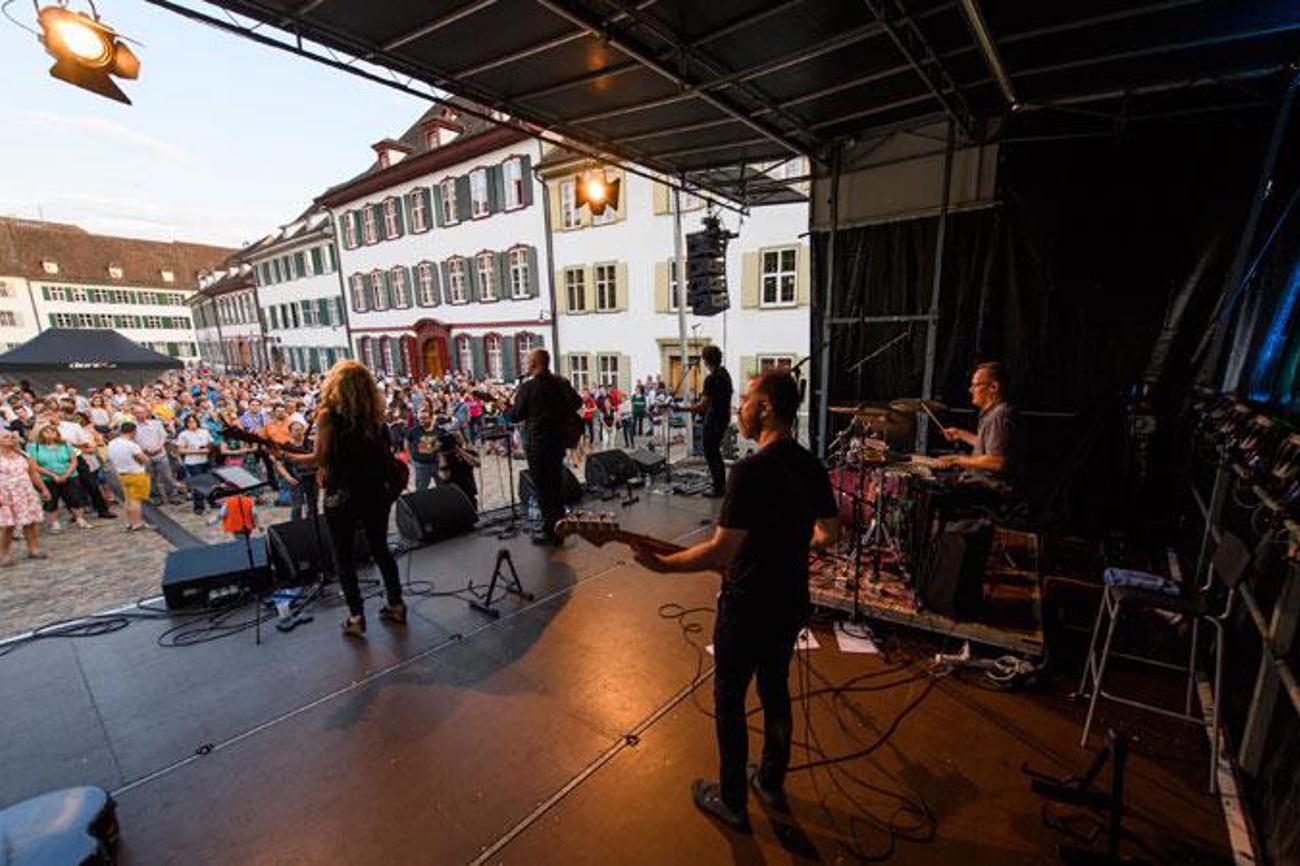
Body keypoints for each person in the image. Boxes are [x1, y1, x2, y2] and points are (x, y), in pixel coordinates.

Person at [632, 371, 840, 832]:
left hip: (747, 606)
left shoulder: (749, 471)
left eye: (746, 399)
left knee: (729, 699)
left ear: (765, 406)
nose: (739, 407)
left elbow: (721, 552)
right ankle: (769, 780)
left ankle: (731, 800)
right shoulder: (811, 465)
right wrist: (789, 538)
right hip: (791, 601)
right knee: (775, 689)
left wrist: (665, 566)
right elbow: (831, 533)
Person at [279, 361, 405, 638]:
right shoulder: (376, 418)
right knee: (380, 547)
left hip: (342, 495)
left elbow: (318, 458)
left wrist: (286, 456)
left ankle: (356, 616)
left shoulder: (329, 416)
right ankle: (396, 604)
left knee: (343, 556)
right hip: (375, 493)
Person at [511, 348, 581, 545]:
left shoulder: (528, 387)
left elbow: (516, 415)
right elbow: (577, 402)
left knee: (543, 489)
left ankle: (551, 533)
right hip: (558, 442)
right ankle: (558, 526)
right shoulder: (562, 383)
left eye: (527, 361)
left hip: (538, 445)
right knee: (556, 486)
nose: (526, 365)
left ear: (533, 364)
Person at [936, 361, 1025, 515]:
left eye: (976, 385)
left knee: (934, 493)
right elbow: (988, 444)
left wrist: (956, 459)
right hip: (982, 484)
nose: (971, 390)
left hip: (993, 490)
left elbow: (997, 461)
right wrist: (960, 434)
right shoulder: (992, 413)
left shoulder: (1001, 414)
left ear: (993, 387)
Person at [27, 424, 93, 532]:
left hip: (69, 475)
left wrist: (66, 474)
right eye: (46, 431)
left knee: (74, 497)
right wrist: (53, 475)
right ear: (41, 434)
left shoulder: (66, 444)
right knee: (52, 501)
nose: (50, 434)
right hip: (48, 478)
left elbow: (74, 461)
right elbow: (34, 466)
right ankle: (55, 523)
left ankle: (80, 519)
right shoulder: (35, 447)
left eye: (52, 431)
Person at [0, 429, 50, 564]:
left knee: (31, 522)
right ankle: (4, 554)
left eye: (11, 437)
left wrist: (43, 489)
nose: (10, 439)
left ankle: (33, 549)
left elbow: (33, 474)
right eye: (6, 437)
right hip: (6, 495)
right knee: (7, 526)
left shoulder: (22, 454)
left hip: (26, 492)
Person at [688, 345, 733, 497]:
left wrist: (682, 409)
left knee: (711, 453)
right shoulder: (725, 374)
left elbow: (702, 407)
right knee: (715, 453)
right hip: (723, 418)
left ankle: (718, 488)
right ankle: (720, 485)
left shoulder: (711, 378)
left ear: (706, 361)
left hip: (713, 420)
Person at [132, 403, 182, 506]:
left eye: (141, 412)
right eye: (137, 413)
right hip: (144, 456)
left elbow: (163, 436)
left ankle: (173, 495)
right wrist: (143, 450)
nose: (139, 415)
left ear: (146, 413)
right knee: (150, 478)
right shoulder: (132, 426)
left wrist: (158, 447)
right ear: (133, 414)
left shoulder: (156, 423)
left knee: (167, 476)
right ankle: (156, 497)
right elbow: (131, 441)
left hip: (160, 454)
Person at [106, 421, 151, 532]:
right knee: (136, 500)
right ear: (133, 431)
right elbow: (144, 459)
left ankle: (129, 522)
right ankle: (137, 523)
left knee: (128, 500)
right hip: (135, 473)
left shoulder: (112, 443)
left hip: (122, 473)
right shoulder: (131, 445)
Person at [175, 414, 214, 514]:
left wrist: (207, 448)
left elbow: (210, 443)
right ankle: (199, 506)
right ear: (186, 424)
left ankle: (210, 501)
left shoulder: (204, 432)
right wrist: (196, 451)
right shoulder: (184, 434)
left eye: (194, 421)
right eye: (189, 422)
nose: (192, 424)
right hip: (192, 462)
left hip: (205, 460)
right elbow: (180, 450)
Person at [405, 408, 442, 492]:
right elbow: (406, 442)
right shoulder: (413, 430)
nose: (422, 421)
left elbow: (441, 443)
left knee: (442, 487)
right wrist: (410, 458)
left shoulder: (437, 429)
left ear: (430, 418)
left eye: (425, 418)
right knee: (421, 490)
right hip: (421, 465)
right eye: (420, 418)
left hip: (436, 464)